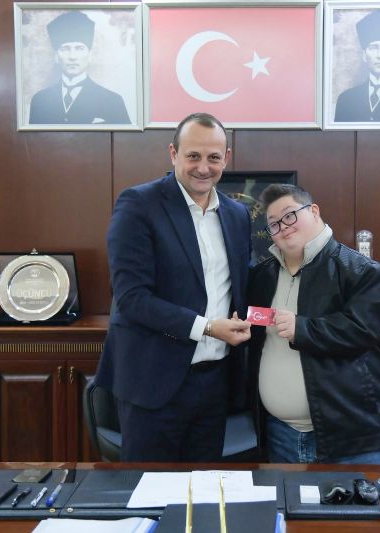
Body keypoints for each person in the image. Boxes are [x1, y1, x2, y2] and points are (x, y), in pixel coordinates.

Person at [95, 112, 252, 462]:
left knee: (205, 489)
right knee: (149, 488)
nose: (203, 167)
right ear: (173, 153)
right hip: (153, 383)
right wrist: (208, 327)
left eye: (213, 157)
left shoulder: (237, 215)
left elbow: (242, 285)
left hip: (214, 384)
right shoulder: (139, 205)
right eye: (193, 156)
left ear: (226, 158)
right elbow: (132, 298)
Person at [247, 184, 380, 463]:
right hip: (280, 435)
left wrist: (301, 329)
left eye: (290, 215)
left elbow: (362, 330)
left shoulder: (362, 271)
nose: (283, 227)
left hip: (352, 438)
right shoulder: (262, 276)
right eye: (274, 224)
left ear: (314, 211)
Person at [29, 11, 130, 125]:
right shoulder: (40, 101)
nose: (72, 57)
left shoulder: (112, 101)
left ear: (90, 55)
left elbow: (124, 136)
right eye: (65, 49)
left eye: (79, 48)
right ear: (56, 56)